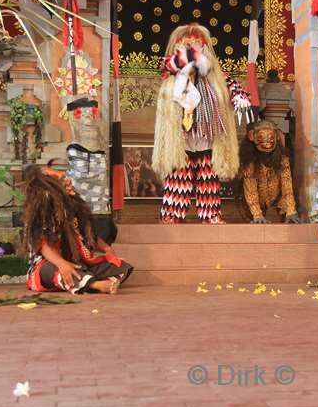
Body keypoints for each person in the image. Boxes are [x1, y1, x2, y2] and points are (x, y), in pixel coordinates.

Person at [152, 23, 252, 223]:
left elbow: (231, 86)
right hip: (182, 139)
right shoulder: (173, 75)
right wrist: (187, 66)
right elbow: (168, 72)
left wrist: (240, 97)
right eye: (187, 46)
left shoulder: (217, 78)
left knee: (208, 180)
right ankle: (172, 214)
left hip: (207, 137)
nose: (192, 49)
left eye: (196, 45)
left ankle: (211, 214)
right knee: (178, 179)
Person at [22, 165, 133, 294]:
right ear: (48, 188)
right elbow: (44, 246)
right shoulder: (43, 212)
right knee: (51, 270)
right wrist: (61, 263)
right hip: (49, 265)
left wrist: (107, 249)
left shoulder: (73, 205)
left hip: (78, 264)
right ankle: (95, 285)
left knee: (121, 266)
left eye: (65, 177)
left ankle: (83, 281)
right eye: (61, 180)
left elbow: (88, 234)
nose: (68, 181)